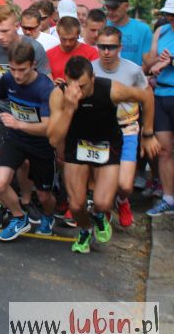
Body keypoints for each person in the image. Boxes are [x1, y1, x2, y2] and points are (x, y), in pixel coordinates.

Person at [48, 56, 159, 253]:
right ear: (65, 79)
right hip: (77, 145)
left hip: (107, 144)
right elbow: (54, 140)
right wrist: (70, 108)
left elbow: (146, 96)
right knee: (75, 205)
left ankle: (99, 215)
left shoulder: (112, 89)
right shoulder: (59, 95)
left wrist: (148, 133)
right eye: (73, 86)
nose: (78, 93)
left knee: (103, 202)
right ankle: (85, 228)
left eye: (83, 86)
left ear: (93, 78)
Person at [0, 42, 57, 240]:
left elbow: (48, 127)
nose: (17, 75)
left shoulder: (46, 88)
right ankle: (18, 217)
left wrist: (19, 123)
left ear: (33, 65)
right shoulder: (8, 79)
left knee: (44, 197)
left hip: (40, 145)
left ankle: (48, 216)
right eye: (13, 69)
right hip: (17, 140)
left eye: (22, 70)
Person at [0, 4, 50, 228]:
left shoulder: (34, 48)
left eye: (5, 31)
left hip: (27, 108)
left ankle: (26, 201)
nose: (0, 37)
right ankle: (2, 205)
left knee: (25, 161)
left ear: (16, 27)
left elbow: (45, 81)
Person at [92, 26, 148, 227]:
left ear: (120, 47)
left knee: (125, 185)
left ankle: (122, 201)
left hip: (127, 130)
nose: (106, 52)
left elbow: (147, 99)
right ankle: (104, 210)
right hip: (100, 132)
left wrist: (147, 134)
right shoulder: (90, 69)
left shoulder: (133, 70)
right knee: (101, 182)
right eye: (102, 47)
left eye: (112, 47)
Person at [146, 0, 174, 217]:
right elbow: (150, 62)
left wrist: (171, 61)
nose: (171, 19)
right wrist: (157, 63)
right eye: (168, 15)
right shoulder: (162, 32)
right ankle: (168, 198)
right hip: (162, 93)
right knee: (164, 150)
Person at [104, 0, 151, 67]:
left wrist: (134, 77)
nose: (110, 12)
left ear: (126, 6)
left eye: (114, 8)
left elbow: (147, 61)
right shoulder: (102, 27)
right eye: (108, 8)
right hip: (106, 77)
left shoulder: (143, 29)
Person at [46, 16, 98, 83]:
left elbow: (95, 78)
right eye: (64, 39)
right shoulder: (48, 55)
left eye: (72, 39)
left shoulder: (91, 53)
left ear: (78, 35)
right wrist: (52, 83)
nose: (68, 43)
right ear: (58, 34)